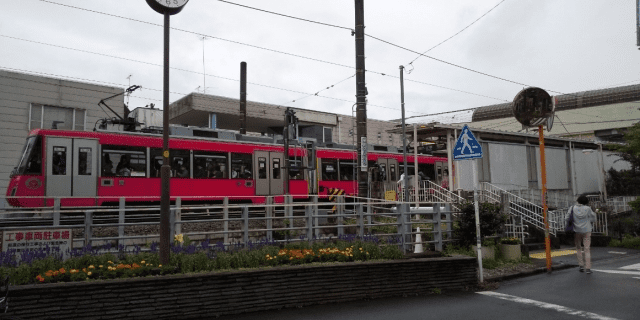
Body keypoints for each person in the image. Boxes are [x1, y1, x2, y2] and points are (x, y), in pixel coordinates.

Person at [566, 195, 597, 274]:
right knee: (587, 249)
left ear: (578, 200)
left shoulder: (572, 208)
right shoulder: (587, 208)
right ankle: (588, 268)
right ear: (586, 202)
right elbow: (593, 218)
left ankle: (581, 265)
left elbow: (566, 218)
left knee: (578, 248)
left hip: (576, 231)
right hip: (586, 230)